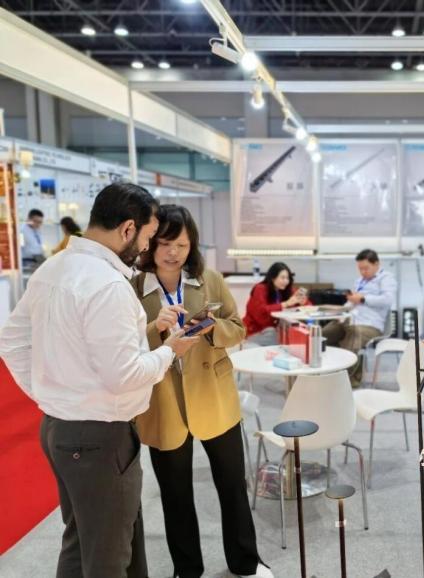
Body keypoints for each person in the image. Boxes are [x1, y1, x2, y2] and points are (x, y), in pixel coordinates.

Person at [0, 183, 197, 578]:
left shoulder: (54, 268)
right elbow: (126, 376)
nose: (146, 248)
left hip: (61, 428)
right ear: (127, 229)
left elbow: (12, 341)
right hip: (99, 438)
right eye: (146, 237)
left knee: (83, 541)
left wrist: (51, 395)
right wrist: (170, 351)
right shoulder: (108, 285)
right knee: (107, 555)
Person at [132, 204, 272, 578]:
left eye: (181, 244)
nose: (173, 252)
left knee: (232, 485)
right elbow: (124, 345)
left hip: (213, 394)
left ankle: (246, 562)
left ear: (191, 244)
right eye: (164, 243)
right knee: (175, 494)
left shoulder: (208, 279)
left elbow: (238, 328)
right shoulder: (133, 287)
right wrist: (155, 329)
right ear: (150, 243)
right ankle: (187, 569)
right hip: (163, 400)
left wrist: (212, 328)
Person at [322, 249, 397, 387]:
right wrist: (341, 312)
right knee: (324, 334)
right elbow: (352, 302)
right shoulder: (359, 281)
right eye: (360, 269)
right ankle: (328, 372)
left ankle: (348, 380)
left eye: (366, 268)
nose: (363, 272)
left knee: (353, 333)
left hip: (371, 325)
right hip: (351, 320)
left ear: (376, 264)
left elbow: (387, 300)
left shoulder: (386, 278)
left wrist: (363, 299)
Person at [243, 261, 309, 344]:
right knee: (275, 334)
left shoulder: (286, 289)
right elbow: (261, 311)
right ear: (273, 278)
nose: (286, 281)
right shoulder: (260, 289)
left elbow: (308, 304)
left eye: (287, 278)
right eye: (282, 278)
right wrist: (285, 304)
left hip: (275, 329)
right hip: (255, 331)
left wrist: (303, 302)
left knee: (297, 330)